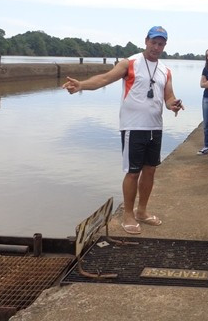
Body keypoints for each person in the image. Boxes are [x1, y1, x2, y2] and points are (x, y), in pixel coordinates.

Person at [62, 26, 184, 235]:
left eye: (160, 44)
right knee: (133, 172)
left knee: (150, 170)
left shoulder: (165, 70)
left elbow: (168, 96)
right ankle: (128, 214)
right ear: (146, 41)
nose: (156, 47)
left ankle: (142, 211)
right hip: (133, 127)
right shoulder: (130, 63)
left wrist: (173, 104)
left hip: (155, 127)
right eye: (153, 42)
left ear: (165, 45)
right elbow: (104, 79)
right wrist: (81, 85)